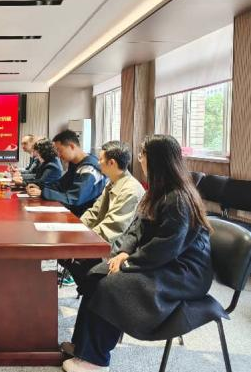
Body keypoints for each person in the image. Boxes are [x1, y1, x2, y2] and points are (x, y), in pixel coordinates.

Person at [60, 135, 224, 372]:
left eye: (142, 154)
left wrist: (128, 263)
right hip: (162, 260)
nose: (139, 159)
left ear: (156, 159)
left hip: (184, 272)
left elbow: (166, 246)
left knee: (111, 286)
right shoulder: (156, 192)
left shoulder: (179, 198)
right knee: (96, 274)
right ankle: (84, 347)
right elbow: (135, 230)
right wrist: (123, 253)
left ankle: (95, 361)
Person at [59, 141, 145, 294]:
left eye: (100, 159)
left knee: (80, 266)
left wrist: (81, 245)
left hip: (116, 248)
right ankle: (90, 294)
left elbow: (112, 227)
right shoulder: (113, 182)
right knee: (63, 253)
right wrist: (74, 232)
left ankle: (94, 295)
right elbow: (94, 212)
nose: (98, 163)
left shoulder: (131, 190)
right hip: (100, 240)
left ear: (112, 163)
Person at [27, 130, 105, 217]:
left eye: (59, 150)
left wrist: (43, 193)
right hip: (72, 211)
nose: (58, 155)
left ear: (71, 146)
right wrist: (41, 187)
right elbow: (61, 185)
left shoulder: (89, 168)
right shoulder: (74, 163)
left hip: (83, 216)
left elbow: (74, 198)